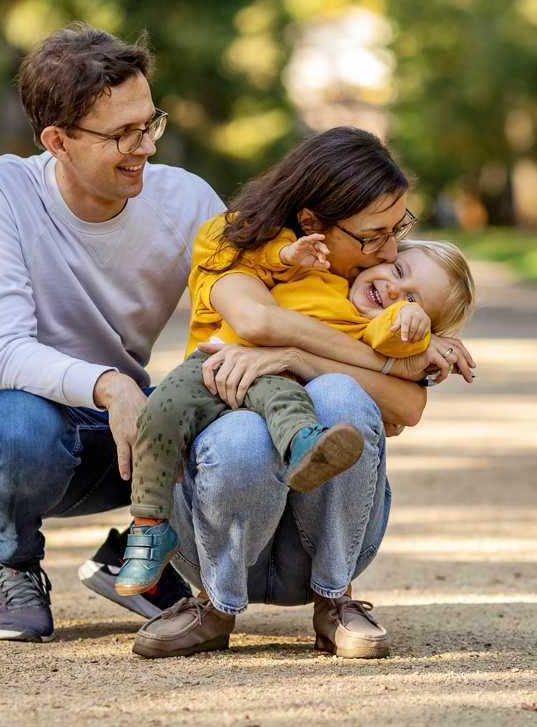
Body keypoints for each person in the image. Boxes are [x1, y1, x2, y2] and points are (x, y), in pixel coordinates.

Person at [125, 127, 476, 659]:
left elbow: (408, 406)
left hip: (320, 543)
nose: (390, 249)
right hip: (217, 534)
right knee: (243, 432)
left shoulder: (370, 293)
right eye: (374, 235)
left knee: (339, 395)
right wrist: (387, 363)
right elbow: (256, 318)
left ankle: (335, 601)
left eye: (397, 229)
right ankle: (213, 605)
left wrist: (301, 359)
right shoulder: (232, 238)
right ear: (313, 221)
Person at [0, 23, 225, 641]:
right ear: (57, 141)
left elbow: (250, 308)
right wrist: (116, 387)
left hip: (115, 442)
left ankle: (138, 556)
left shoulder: (189, 202)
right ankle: (12, 560)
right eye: (121, 134)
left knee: (230, 411)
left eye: (150, 124)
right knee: (20, 424)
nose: (144, 146)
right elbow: (5, 353)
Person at [116, 220, 476, 599]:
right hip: (213, 369)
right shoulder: (301, 267)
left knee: (320, 396)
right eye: (399, 271)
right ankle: (152, 530)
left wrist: (415, 327)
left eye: (412, 299)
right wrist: (289, 255)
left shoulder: (366, 324)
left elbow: (398, 362)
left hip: (274, 392)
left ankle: (333, 587)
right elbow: (263, 281)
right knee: (168, 415)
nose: (393, 290)